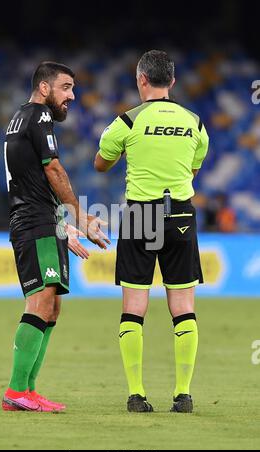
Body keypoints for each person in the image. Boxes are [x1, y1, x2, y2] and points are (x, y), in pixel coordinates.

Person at [94, 50, 209, 413]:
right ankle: (183, 395)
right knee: (183, 308)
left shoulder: (127, 121)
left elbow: (100, 164)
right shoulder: (195, 122)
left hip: (141, 214)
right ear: (172, 82)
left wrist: (126, 154)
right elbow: (192, 171)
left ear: (141, 79)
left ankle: (136, 395)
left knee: (134, 309)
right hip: (181, 216)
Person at [2, 61, 109, 413]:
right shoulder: (40, 117)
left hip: (41, 221)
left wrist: (62, 224)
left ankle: (28, 391)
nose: (72, 96)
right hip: (35, 223)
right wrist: (78, 213)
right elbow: (52, 168)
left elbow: (30, 179)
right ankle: (17, 390)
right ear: (44, 88)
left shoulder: (18, 118)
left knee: (52, 307)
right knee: (41, 301)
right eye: (66, 88)